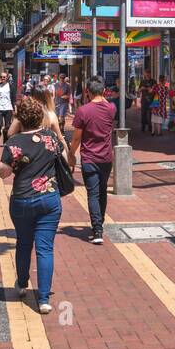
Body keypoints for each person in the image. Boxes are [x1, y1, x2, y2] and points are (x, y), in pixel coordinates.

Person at [0, 96, 71, 313]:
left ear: (20, 118)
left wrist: (16, 164)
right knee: (45, 248)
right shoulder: (50, 138)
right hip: (49, 199)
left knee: (23, 242)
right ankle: (44, 298)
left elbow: (3, 172)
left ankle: (21, 283)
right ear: (40, 117)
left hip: (22, 199)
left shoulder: (14, 143)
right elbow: (65, 156)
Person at [69, 76, 116, 244]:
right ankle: (99, 223)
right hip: (106, 158)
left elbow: (76, 139)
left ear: (87, 92)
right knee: (102, 192)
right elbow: (106, 103)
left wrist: (71, 154)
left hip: (89, 158)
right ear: (103, 91)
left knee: (93, 194)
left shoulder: (83, 111)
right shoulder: (111, 108)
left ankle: (97, 229)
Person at [0, 71, 15, 146]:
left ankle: (5, 141)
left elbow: (13, 98)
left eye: (4, 77)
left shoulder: (11, 86)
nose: (2, 78)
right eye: (1, 77)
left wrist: (14, 108)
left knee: (7, 126)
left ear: (7, 77)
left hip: (8, 108)